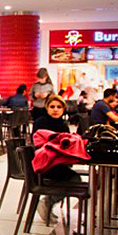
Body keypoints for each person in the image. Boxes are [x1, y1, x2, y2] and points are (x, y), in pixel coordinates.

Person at [31, 95, 82, 223]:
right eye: (52, 106)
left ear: (63, 109)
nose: (55, 109)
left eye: (59, 107)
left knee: (76, 180)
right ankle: (48, 202)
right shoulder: (41, 122)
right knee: (73, 180)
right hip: (44, 165)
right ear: (47, 108)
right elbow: (39, 143)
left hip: (58, 164)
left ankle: (48, 202)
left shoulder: (63, 125)